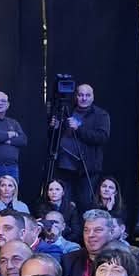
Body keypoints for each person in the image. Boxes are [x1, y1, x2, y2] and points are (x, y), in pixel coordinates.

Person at [48, 81, 112, 213]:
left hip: (87, 168)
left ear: (93, 97)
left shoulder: (101, 115)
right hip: (64, 167)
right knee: (64, 204)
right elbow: (57, 137)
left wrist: (79, 128)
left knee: (85, 203)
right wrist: (56, 127)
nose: (84, 98)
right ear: (76, 96)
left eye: (87, 95)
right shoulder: (67, 111)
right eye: (81, 95)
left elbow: (102, 137)